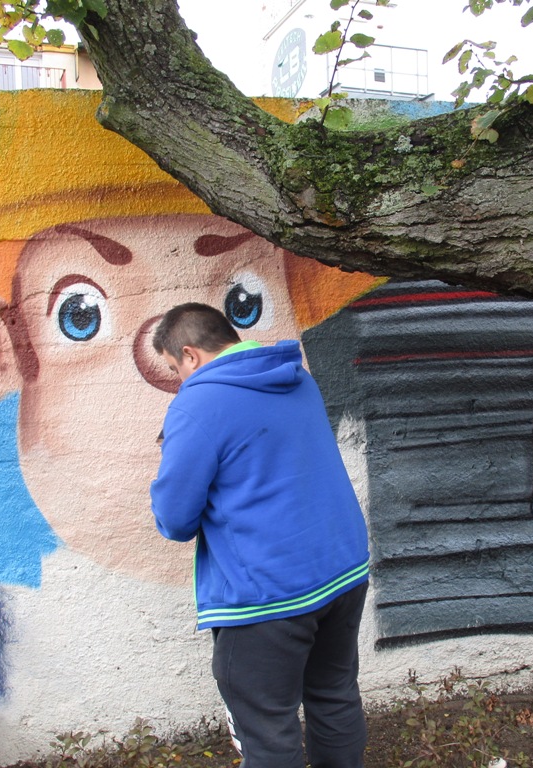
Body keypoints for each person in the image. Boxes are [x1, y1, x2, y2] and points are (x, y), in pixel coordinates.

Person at [150, 303, 370, 768]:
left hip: (268, 594)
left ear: (189, 355)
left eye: (174, 369)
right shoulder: (295, 376)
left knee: (267, 727)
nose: (179, 381)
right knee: (334, 694)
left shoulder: (197, 403)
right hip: (342, 569)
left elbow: (175, 519)